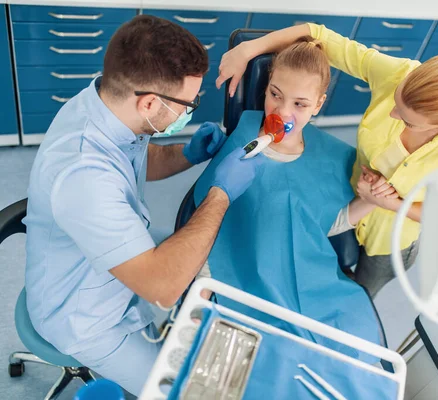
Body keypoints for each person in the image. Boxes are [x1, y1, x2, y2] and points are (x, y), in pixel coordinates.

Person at [22, 15, 263, 396]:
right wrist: (222, 192)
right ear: (150, 102)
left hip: (114, 273)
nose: (191, 111)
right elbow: (162, 287)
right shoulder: (83, 175)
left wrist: (187, 153)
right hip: (87, 320)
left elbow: (135, 163)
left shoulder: (106, 106)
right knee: (190, 390)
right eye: (189, 103)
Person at [216, 23, 438, 298]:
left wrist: (391, 203)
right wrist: (248, 49)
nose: (393, 115)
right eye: (396, 101)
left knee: (359, 293)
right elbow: (318, 34)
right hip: (348, 200)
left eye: (407, 121)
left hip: (389, 241)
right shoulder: (398, 73)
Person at [192, 37, 381, 362]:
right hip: (241, 277)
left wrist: (371, 199)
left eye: (300, 104)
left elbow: (323, 223)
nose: (282, 111)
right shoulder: (244, 134)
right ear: (265, 88)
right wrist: (204, 286)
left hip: (310, 279)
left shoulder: (335, 158)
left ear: (319, 104)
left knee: (348, 352)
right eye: (275, 95)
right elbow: (211, 223)